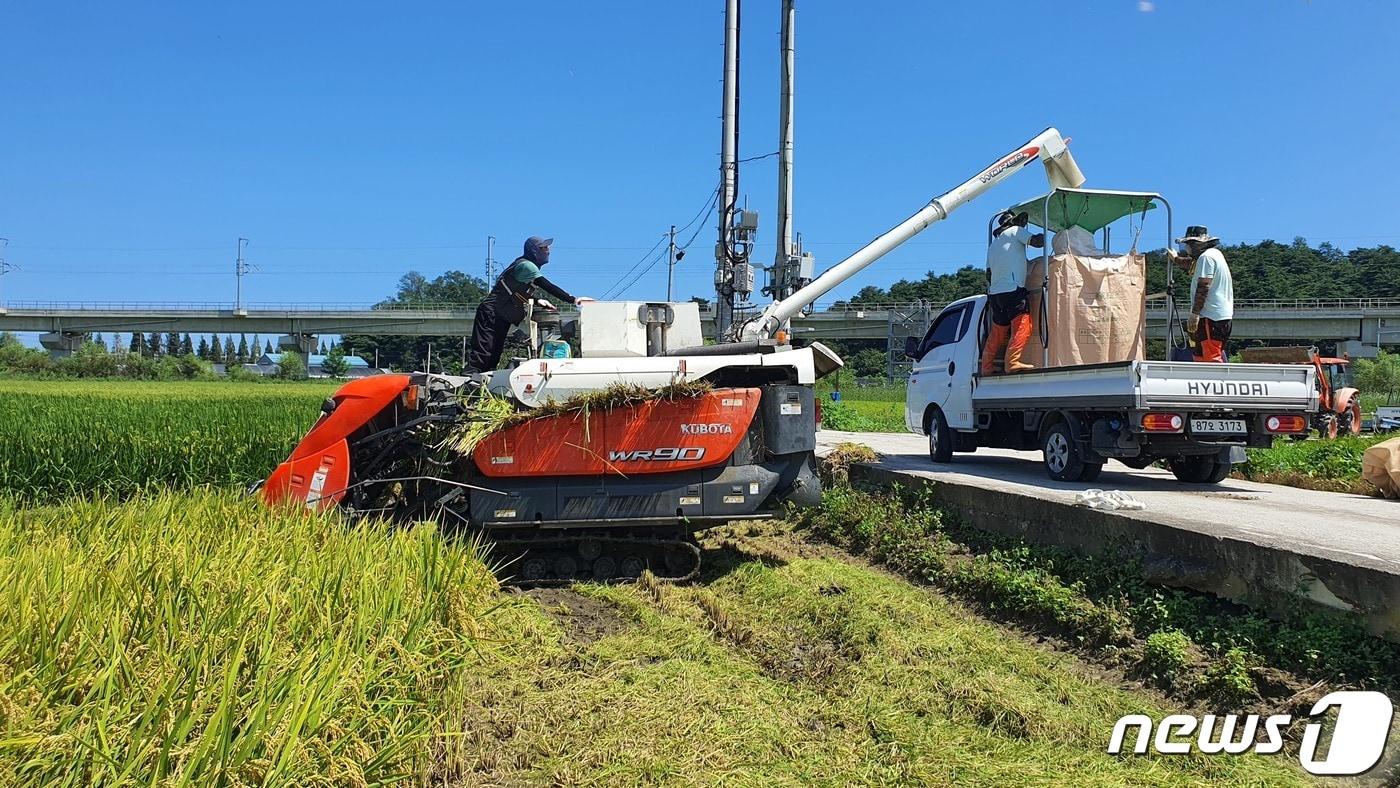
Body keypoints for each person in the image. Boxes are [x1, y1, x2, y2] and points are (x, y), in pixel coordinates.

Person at [466, 236, 594, 373]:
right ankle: (470, 377)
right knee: (485, 350)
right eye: (544, 248)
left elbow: (516, 290)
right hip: (491, 311)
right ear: (534, 250)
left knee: (495, 351)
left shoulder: (524, 267)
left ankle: (484, 381)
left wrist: (538, 300)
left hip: (501, 315)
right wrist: (573, 299)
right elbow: (547, 285)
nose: (548, 251)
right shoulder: (527, 266)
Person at [980, 211, 1045, 375]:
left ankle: (986, 367)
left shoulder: (993, 246)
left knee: (998, 331)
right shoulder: (1016, 231)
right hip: (1013, 290)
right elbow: (1038, 243)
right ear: (1012, 223)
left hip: (995, 294)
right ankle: (1012, 363)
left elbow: (988, 273)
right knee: (1022, 326)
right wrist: (1041, 234)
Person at [1168, 226, 1232, 363]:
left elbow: (1203, 286)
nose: (1187, 249)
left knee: (1210, 358)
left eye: (1189, 245)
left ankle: (1211, 383)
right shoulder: (1213, 255)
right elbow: (1192, 264)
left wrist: (1194, 314)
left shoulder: (1206, 258)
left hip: (1211, 317)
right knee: (1200, 355)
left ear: (1197, 244)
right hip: (1215, 316)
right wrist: (1176, 259)